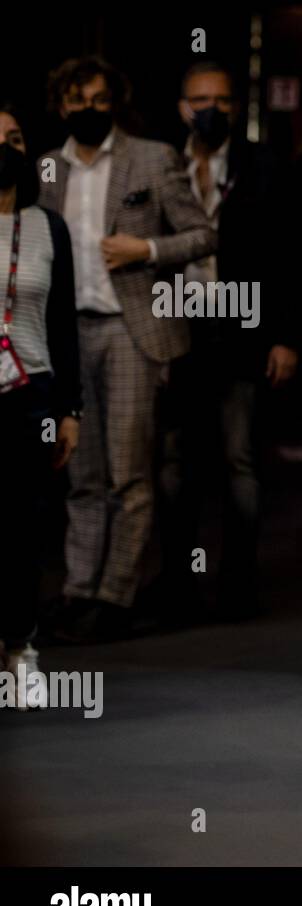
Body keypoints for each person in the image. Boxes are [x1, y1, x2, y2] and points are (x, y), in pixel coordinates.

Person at [40, 55, 216, 643]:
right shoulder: (45, 168)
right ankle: (78, 590)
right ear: (60, 106)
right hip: (64, 334)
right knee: (80, 473)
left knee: (128, 473)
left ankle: (117, 596)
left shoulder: (152, 155)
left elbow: (202, 234)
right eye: (76, 100)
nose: (87, 109)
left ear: (115, 101)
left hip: (131, 330)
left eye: (97, 98)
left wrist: (145, 249)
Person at [153, 61, 302, 626]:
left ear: (238, 108)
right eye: (199, 99)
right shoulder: (160, 162)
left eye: (221, 98)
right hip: (176, 327)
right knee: (173, 463)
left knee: (240, 460)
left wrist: (286, 338)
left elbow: (288, 254)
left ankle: (238, 586)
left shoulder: (264, 165)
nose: (210, 108)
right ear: (181, 107)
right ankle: (177, 586)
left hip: (243, 328)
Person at [0, 102, 80, 670]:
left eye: (14, 137)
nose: (5, 146)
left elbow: (62, 324)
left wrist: (69, 410)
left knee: (23, 530)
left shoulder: (49, 226)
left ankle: (20, 644)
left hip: (31, 395)